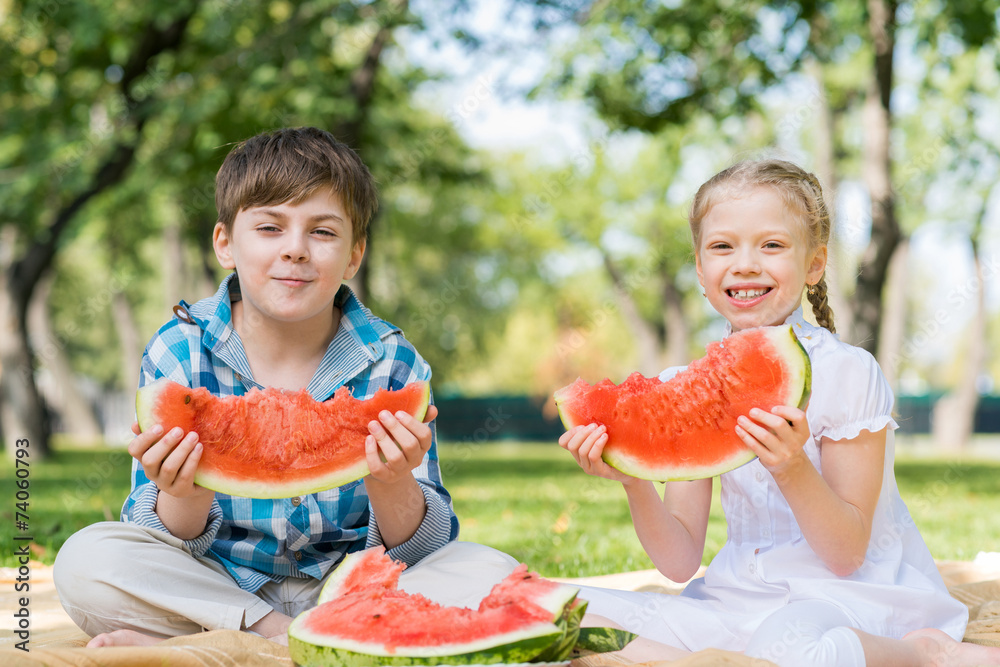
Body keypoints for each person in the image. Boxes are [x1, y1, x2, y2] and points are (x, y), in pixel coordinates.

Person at [54, 127, 517, 648]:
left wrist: (392, 483)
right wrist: (187, 491)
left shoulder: (394, 362)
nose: (295, 250)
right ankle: (287, 639)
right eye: (270, 228)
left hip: (355, 590)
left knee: (491, 571)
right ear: (225, 243)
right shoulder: (178, 353)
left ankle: (227, 645)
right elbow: (161, 538)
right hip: (220, 584)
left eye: (322, 232)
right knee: (86, 561)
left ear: (354, 256)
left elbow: (422, 549)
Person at [559, 159, 1000, 666]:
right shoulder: (682, 386)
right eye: (723, 246)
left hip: (849, 598)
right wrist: (633, 477)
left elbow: (847, 553)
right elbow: (679, 563)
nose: (745, 264)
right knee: (563, 611)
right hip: (736, 600)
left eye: (772, 245)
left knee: (791, 651)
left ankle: (922, 654)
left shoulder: (848, 372)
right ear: (701, 270)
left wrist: (792, 468)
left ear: (814, 265)